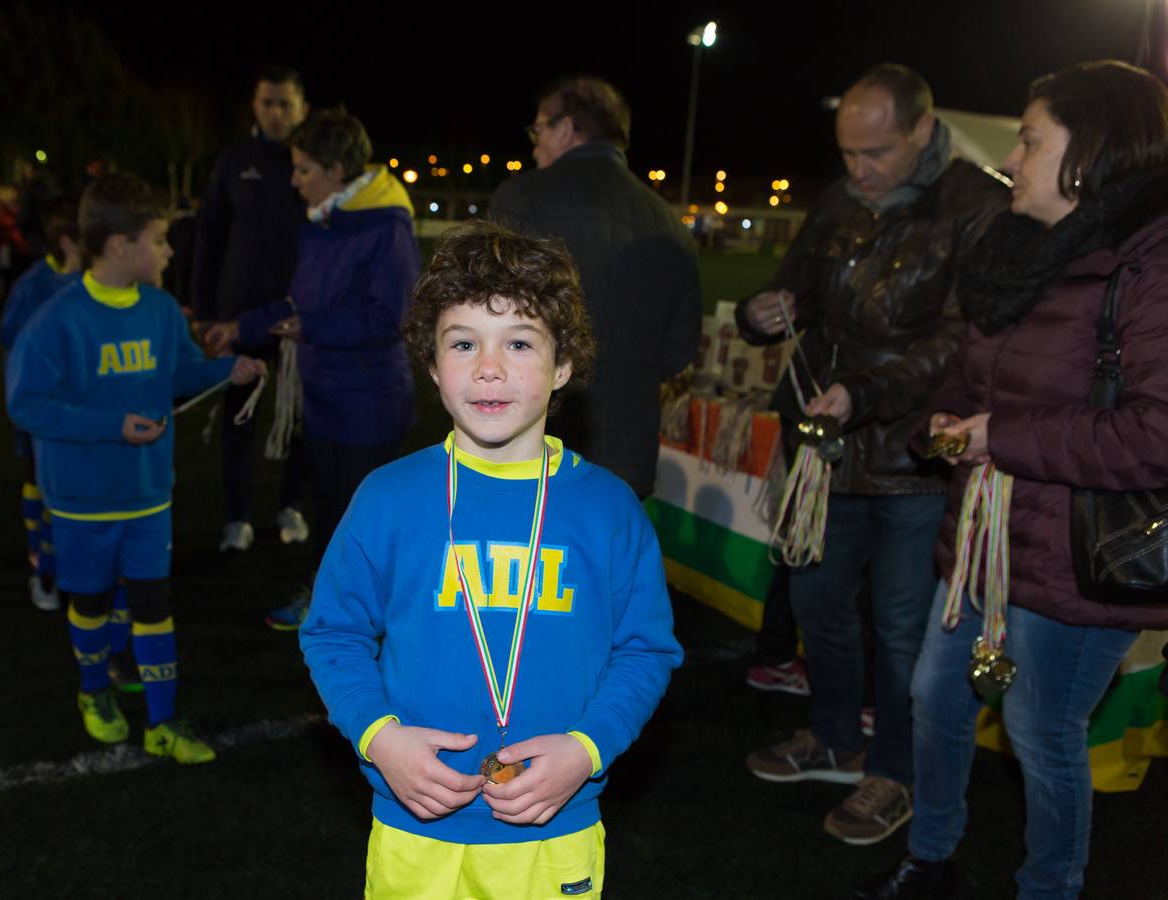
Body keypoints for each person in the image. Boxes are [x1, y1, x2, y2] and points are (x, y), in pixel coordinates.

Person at [859, 60, 1168, 900]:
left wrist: (1004, 436)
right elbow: (976, 369)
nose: (1014, 158)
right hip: (990, 543)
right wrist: (947, 419)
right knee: (934, 696)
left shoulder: (1149, 265)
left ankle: (1049, 889)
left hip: (1080, 554)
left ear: (1092, 149)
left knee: (1042, 731)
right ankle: (931, 859)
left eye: (1031, 140)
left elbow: (1155, 435)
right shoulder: (1017, 249)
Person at [300, 221, 682, 898]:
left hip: (551, 828)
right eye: (464, 342)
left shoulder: (608, 509)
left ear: (563, 365)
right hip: (416, 827)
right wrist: (380, 738)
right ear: (431, 363)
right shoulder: (388, 498)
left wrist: (587, 750)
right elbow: (334, 633)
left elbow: (646, 650)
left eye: (520, 343)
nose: (489, 368)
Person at [738, 63, 1009, 845]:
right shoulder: (836, 201)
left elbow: (961, 339)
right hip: (827, 450)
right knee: (819, 606)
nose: (860, 170)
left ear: (923, 130)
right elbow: (795, 291)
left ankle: (896, 769)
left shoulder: (975, 204)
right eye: (848, 153)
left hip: (915, 456)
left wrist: (866, 390)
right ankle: (832, 736)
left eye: (877, 153)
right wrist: (766, 311)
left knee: (900, 627)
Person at [7, 174, 266, 763]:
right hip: (81, 500)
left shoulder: (160, 310)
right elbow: (26, 405)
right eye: (159, 239)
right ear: (120, 245)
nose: (170, 251)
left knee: (154, 605)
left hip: (149, 493)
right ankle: (94, 692)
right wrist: (110, 427)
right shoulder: (56, 320)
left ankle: (163, 720)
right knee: (93, 604)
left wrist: (227, 370)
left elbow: (176, 376)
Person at [205, 106, 420, 630]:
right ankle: (333, 605)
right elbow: (299, 301)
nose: (294, 179)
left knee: (359, 520)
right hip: (325, 395)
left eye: (303, 169)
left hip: (368, 401)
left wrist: (312, 329)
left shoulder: (386, 228)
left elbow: (390, 319)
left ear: (336, 171)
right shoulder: (326, 220)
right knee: (331, 509)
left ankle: (359, 622)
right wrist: (241, 327)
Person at [489, 75, 701, 498]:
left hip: (534, 451)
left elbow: (488, 324)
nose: (534, 145)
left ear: (566, 128)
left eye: (538, 130)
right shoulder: (670, 223)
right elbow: (680, 352)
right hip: (628, 460)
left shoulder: (523, 198)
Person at [192, 65, 309, 553]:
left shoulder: (315, 161)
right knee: (238, 419)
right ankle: (237, 516)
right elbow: (209, 236)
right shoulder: (234, 159)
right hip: (238, 314)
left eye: (285, 103)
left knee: (299, 417)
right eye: (267, 103)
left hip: (299, 316)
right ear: (254, 107)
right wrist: (203, 310)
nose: (275, 113)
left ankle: (292, 505)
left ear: (303, 107)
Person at [0, 197, 83, 612]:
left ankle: (76, 568)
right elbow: (11, 341)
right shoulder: (34, 285)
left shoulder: (100, 283)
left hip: (85, 416)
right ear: (68, 241)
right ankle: (44, 569)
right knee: (40, 487)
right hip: (45, 415)